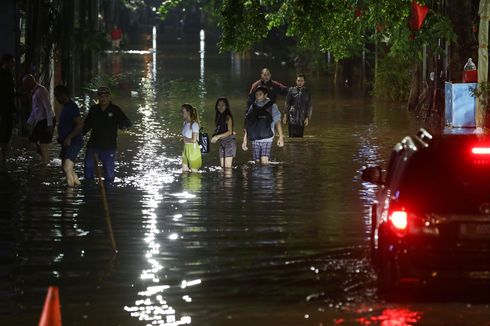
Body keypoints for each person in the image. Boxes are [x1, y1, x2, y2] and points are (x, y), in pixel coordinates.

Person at [83, 86, 131, 182]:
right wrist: (77, 136)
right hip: (93, 145)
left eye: (105, 96)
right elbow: (86, 126)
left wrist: (123, 126)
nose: (103, 98)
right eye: (101, 96)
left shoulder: (115, 110)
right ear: (98, 97)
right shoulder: (94, 109)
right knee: (88, 169)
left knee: (109, 175)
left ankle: (109, 193)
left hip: (109, 147)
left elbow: (126, 122)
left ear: (109, 97)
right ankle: (89, 192)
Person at [242, 86, 284, 165]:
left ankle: (265, 176)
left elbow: (277, 121)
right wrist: (245, 139)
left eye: (260, 94)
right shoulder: (253, 106)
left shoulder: (272, 106)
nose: (257, 96)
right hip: (255, 138)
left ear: (265, 95)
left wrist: (281, 137)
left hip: (267, 138)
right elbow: (248, 123)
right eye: (256, 94)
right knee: (257, 162)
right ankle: (258, 177)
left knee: (264, 161)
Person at [54, 85, 84, 187]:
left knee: (67, 167)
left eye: (57, 96)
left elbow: (80, 123)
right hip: (66, 141)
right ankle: (77, 186)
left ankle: (69, 197)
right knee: (65, 167)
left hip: (73, 141)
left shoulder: (72, 107)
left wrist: (69, 137)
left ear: (63, 95)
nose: (56, 98)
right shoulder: (66, 107)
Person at [23, 74, 55, 165]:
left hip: (46, 120)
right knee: (32, 141)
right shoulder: (34, 92)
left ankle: (45, 164)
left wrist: (50, 124)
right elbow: (36, 110)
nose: (24, 86)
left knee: (43, 143)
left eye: (25, 84)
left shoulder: (41, 91)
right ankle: (46, 159)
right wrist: (29, 122)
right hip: (40, 121)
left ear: (30, 82)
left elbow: (48, 107)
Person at [211, 97, 236, 169]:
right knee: (223, 167)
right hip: (222, 142)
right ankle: (223, 180)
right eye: (219, 105)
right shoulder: (218, 116)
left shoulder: (228, 117)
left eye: (223, 105)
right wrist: (215, 136)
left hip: (229, 142)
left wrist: (217, 137)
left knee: (227, 168)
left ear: (226, 106)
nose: (220, 107)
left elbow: (230, 131)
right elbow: (219, 129)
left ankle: (228, 180)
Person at [0, 54, 16, 164]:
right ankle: (2, 156)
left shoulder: (8, 74)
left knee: (7, 131)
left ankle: (3, 156)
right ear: (6, 62)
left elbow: (10, 92)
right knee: (4, 130)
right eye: (12, 62)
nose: (13, 64)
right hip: (3, 107)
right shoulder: (2, 74)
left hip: (8, 107)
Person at [180, 103, 202, 172]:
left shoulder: (194, 124)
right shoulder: (185, 123)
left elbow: (194, 140)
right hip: (186, 149)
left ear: (188, 112)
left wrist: (184, 138)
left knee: (194, 175)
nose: (181, 113)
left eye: (183, 111)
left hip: (193, 149)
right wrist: (182, 138)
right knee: (184, 172)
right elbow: (186, 136)